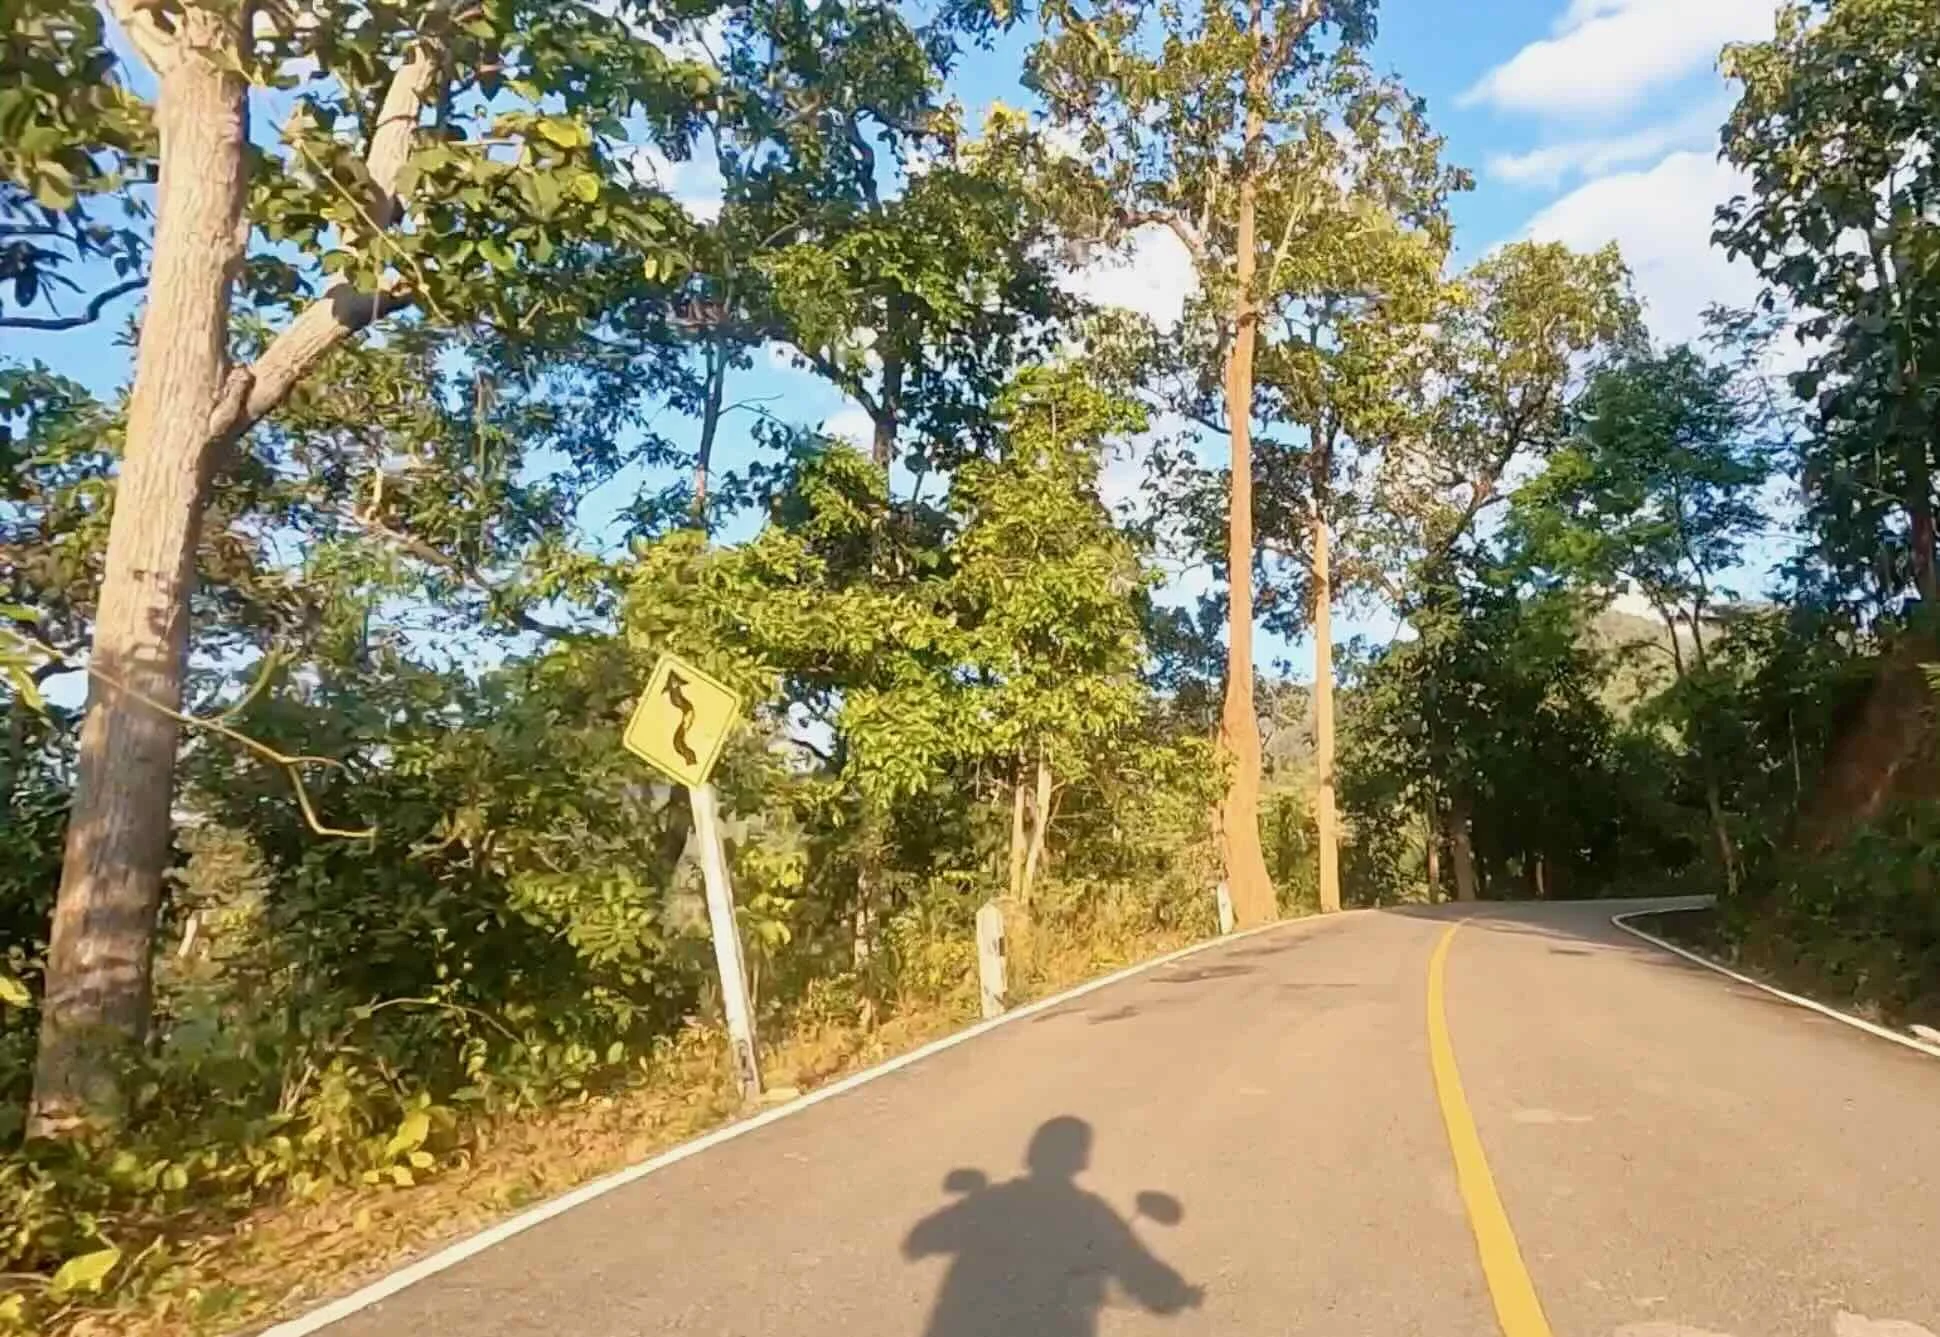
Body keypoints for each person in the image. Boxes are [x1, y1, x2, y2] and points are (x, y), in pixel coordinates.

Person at [902, 1117, 1202, 1337]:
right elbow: (1136, 1266)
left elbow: (918, 1240)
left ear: (1032, 1154)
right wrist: (1177, 1294)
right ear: (1081, 1160)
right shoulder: (1091, 1213)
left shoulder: (990, 1201)